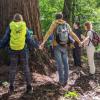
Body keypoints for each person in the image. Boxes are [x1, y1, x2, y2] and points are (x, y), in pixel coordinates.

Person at [0, 13, 39, 94]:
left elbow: (5, 39)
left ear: (14, 19)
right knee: (26, 68)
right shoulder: (24, 26)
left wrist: (1, 45)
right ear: (21, 19)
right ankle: (29, 87)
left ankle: (11, 87)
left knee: (12, 68)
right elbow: (29, 39)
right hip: (23, 50)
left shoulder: (10, 26)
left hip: (13, 50)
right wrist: (37, 46)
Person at [40, 13, 82, 86]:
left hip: (56, 46)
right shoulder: (66, 24)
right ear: (62, 18)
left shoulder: (54, 24)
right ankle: (66, 80)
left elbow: (49, 32)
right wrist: (79, 41)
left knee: (59, 64)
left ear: (56, 18)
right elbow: (72, 34)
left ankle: (61, 81)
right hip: (64, 45)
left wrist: (43, 42)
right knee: (66, 63)